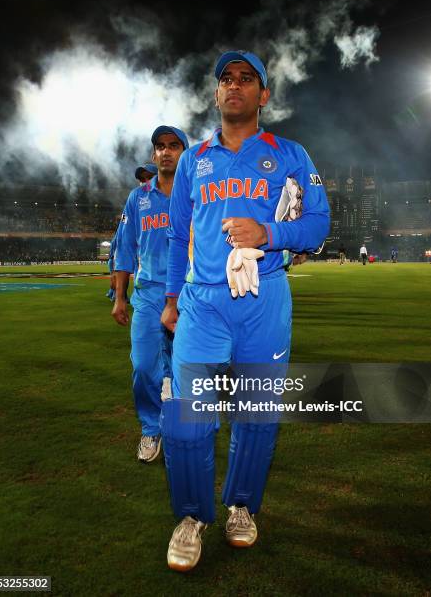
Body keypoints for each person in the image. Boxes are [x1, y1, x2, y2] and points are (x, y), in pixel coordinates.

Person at [160, 50, 330, 572]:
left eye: (246, 79)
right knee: (189, 421)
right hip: (204, 304)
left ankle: (241, 507)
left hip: (265, 301)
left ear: (264, 94)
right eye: (226, 80)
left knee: (257, 416)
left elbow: (318, 225)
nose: (235, 86)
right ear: (216, 94)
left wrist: (270, 234)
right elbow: (177, 233)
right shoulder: (195, 159)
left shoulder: (290, 154)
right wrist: (169, 299)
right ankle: (191, 517)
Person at [112, 126, 189, 462]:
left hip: (188, 295)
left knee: (186, 369)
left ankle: (180, 428)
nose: (166, 152)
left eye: (174, 145)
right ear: (154, 153)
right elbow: (125, 250)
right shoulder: (138, 197)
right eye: (160, 146)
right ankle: (150, 429)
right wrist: (119, 296)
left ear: (185, 152)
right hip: (147, 294)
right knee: (144, 366)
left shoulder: (197, 194)